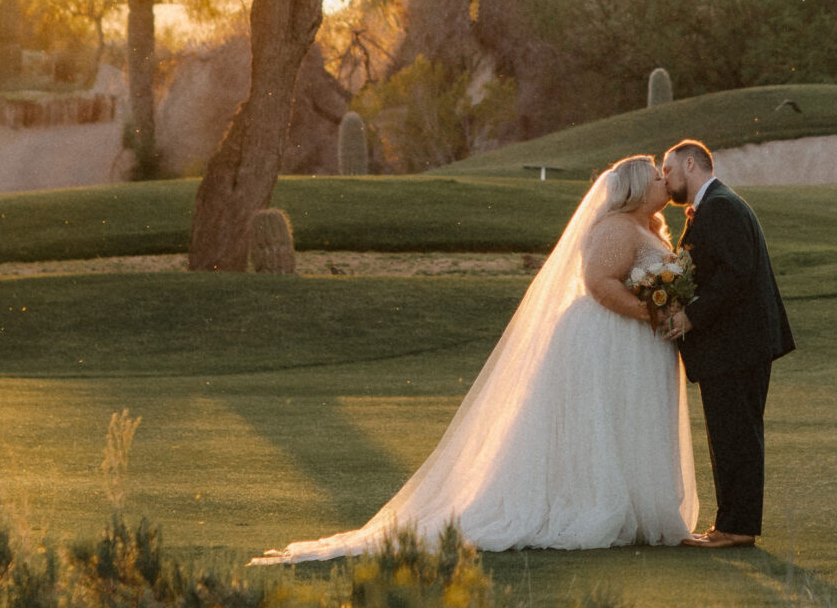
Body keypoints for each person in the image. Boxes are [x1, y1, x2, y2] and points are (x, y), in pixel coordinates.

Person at [252, 154, 696, 560]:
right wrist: (648, 313)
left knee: (628, 422)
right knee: (600, 422)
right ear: (637, 189)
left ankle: (636, 509)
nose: (665, 181)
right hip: (607, 341)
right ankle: (598, 504)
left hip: (632, 344)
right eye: (657, 176)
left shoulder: (647, 229)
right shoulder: (617, 227)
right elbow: (599, 283)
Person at [660, 138, 797, 549]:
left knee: (737, 434)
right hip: (733, 346)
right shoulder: (714, 205)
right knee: (729, 434)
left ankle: (736, 528)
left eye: (667, 170)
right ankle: (730, 524)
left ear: (689, 164)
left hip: (738, 345)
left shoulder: (720, 206)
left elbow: (736, 274)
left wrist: (690, 315)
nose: (664, 179)